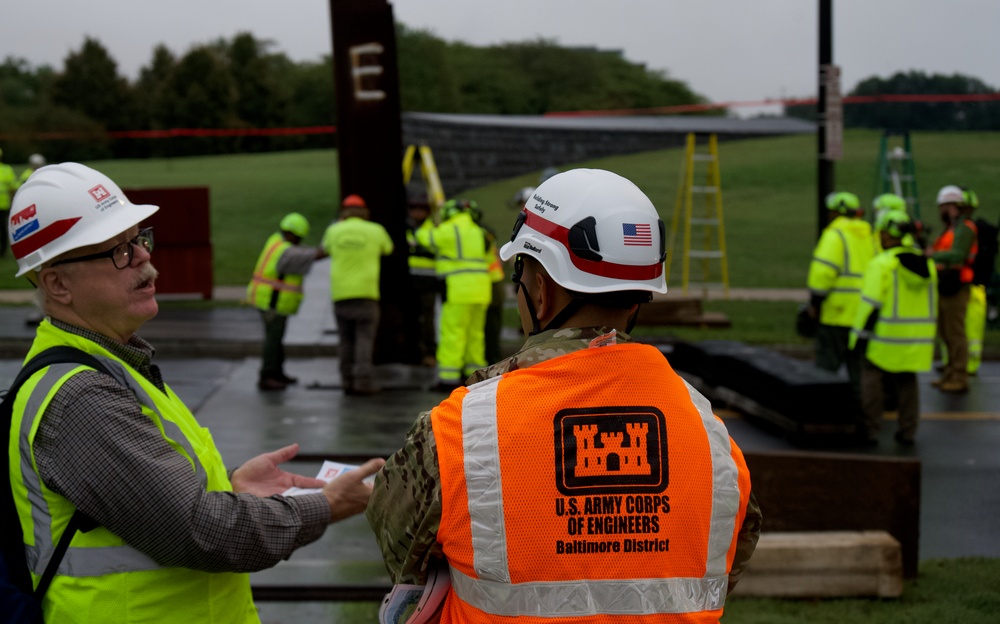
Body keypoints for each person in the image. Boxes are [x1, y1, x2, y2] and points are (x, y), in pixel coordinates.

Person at [367, 168, 761, 622]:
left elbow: (401, 557)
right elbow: (727, 562)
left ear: (540, 288)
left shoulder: (460, 428)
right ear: (637, 298)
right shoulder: (713, 437)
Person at [6, 162, 384, 622]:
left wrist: (230, 487)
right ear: (57, 284)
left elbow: (155, 502)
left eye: (139, 240)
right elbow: (198, 531)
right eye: (117, 251)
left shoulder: (116, 366)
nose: (144, 259)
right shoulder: (81, 398)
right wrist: (323, 506)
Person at [850, 211, 937, 446]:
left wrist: (857, 337)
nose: (879, 238)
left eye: (881, 233)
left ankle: (870, 430)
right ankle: (908, 431)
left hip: (884, 339)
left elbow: (870, 305)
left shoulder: (883, 264)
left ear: (889, 235)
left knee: (871, 382)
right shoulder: (926, 264)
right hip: (915, 341)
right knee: (908, 385)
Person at [806, 191, 876, 407]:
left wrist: (815, 304)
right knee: (859, 372)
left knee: (826, 371)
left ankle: (824, 414)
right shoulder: (871, 235)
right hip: (863, 316)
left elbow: (822, 276)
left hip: (836, 315)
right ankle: (863, 417)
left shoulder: (834, 235)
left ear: (836, 212)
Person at [321, 194, 394, 395]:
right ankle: (363, 381)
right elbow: (388, 249)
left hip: (341, 293)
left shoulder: (334, 230)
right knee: (364, 338)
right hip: (366, 292)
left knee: (345, 339)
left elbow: (325, 249)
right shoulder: (375, 230)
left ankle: (346, 380)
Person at [247, 212, 327, 391]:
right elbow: (310, 255)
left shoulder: (276, 241)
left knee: (276, 338)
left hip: (265, 299)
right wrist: (330, 247)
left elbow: (301, 251)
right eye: (298, 237)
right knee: (273, 340)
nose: (299, 240)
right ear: (292, 234)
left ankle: (277, 373)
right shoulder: (286, 252)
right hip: (272, 301)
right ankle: (266, 376)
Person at [429, 199, 492, 391]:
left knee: (452, 333)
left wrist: (431, 221)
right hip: (481, 289)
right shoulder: (481, 233)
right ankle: (474, 377)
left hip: (457, 290)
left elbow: (425, 238)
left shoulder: (447, 229)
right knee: (475, 335)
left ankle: (448, 379)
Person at [927, 185, 978, 393]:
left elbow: (958, 255)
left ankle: (959, 375)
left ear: (954, 206)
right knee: (946, 333)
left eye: (944, 206)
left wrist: (931, 255)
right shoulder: (952, 228)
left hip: (957, 286)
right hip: (946, 284)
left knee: (955, 334)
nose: (941, 211)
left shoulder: (964, 228)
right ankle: (950, 372)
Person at [405, 197, 439, 367]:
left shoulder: (432, 228)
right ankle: (413, 353)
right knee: (411, 319)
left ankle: (428, 352)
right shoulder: (408, 228)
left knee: (427, 320)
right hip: (411, 281)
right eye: (413, 209)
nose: (416, 213)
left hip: (428, 281)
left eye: (420, 209)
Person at [0, 147, 18, 257]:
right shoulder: (7, 169)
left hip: (3, 205)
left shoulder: (7, 169)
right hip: (5, 204)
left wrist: (13, 203)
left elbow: (12, 188)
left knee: (2, 229)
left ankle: (3, 251)